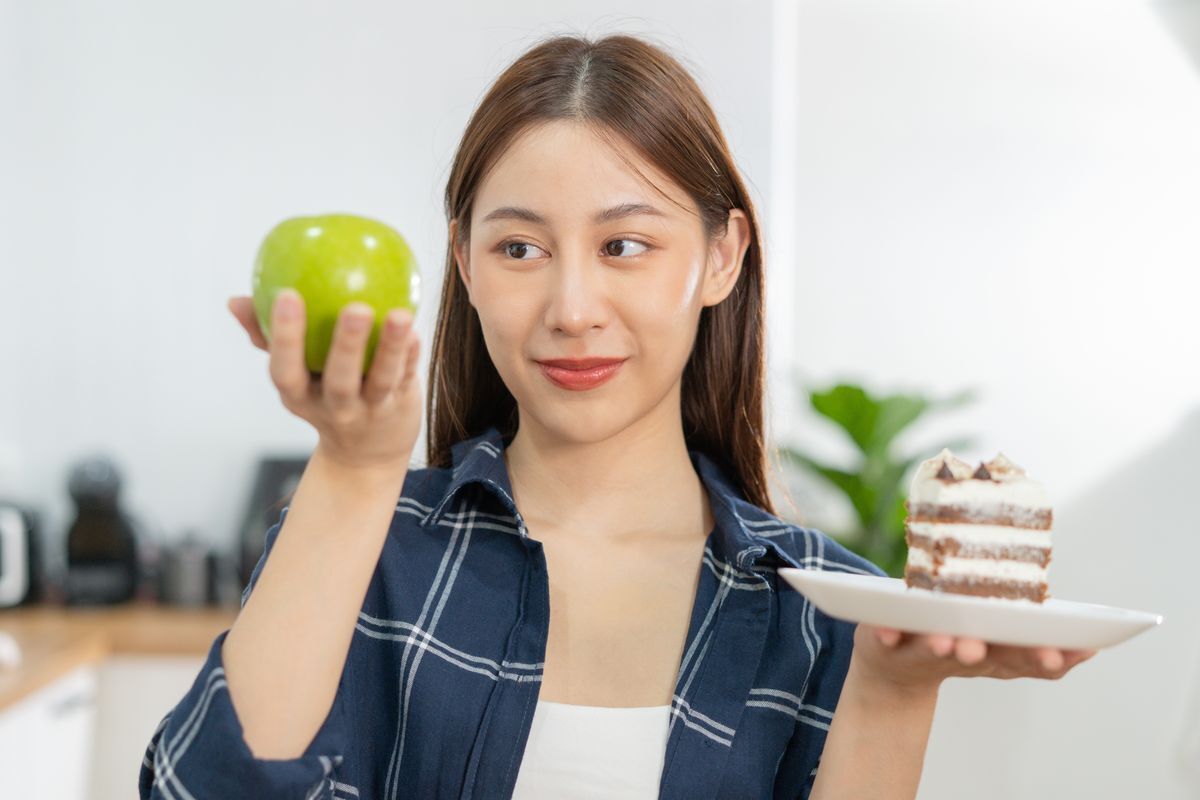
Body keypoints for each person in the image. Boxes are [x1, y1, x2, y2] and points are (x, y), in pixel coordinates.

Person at [138, 32, 1094, 800]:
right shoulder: (366, 551)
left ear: (722, 258)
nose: (572, 307)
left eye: (626, 243)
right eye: (519, 249)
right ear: (464, 266)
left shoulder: (822, 612)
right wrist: (351, 471)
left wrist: (892, 690)